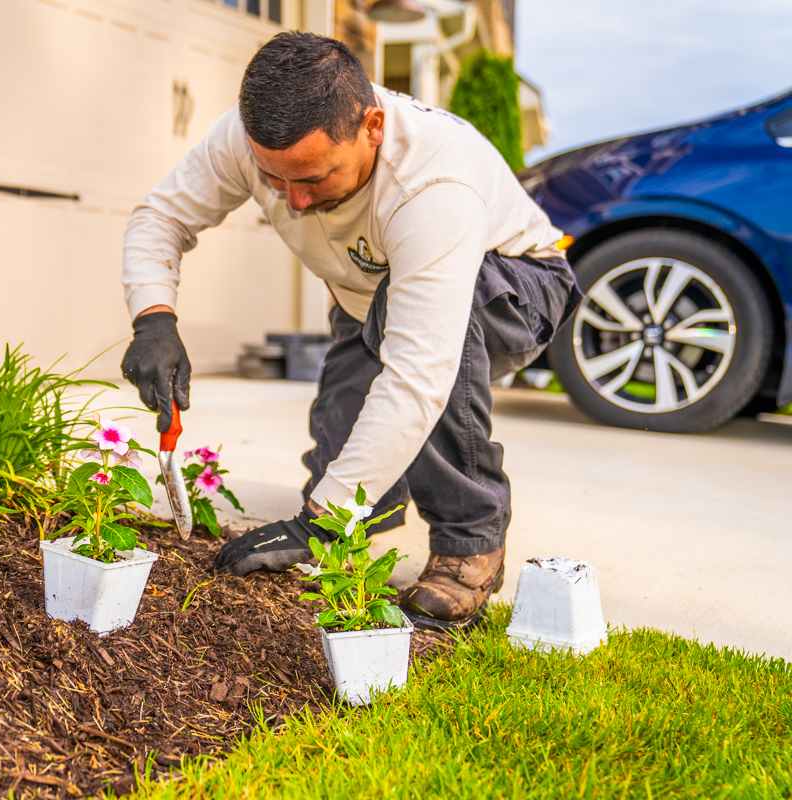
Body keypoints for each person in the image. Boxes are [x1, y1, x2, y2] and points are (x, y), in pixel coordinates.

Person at [119, 32, 578, 631]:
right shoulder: (243, 138)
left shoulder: (434, 185)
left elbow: (418, 373)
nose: (296, 201)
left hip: (514, 290)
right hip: (372, 300)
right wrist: (154, 318)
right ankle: (371, 513)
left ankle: (470, 544)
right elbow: (162, 215)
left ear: (373, 127)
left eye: (314, 178)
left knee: (405, 359)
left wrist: (325, 518)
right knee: (342, 464)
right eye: (275, 180)